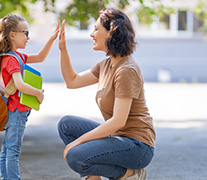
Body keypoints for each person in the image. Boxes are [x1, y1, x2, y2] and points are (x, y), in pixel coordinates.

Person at [55, 8, 155, 180]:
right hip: (119, 138)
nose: (91, 34)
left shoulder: (126, 70)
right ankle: (93, 178)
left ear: (111, 33)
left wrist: (78, 142)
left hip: (138, 146)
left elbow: (118, 121)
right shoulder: (106, 65)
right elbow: (72, 81)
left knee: (75, 155)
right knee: (66, 125)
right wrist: (63, 49)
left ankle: (131, 174)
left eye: (96, 29)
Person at [0, 14, 59, 180]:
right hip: (16, 112)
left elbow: (40, 57)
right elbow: (19, 84)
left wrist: (51, 39)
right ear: (12, 35)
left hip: (12, 111)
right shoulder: (12, 59)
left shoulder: (15, 56)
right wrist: (38, 93)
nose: (28, 37)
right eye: (25, 33)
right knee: (13, 151)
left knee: (7, 149)